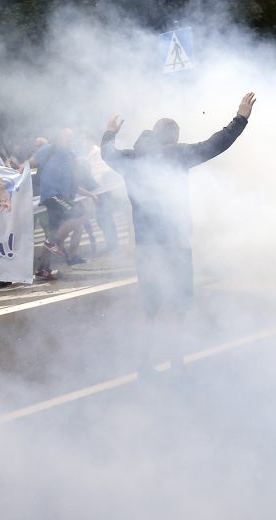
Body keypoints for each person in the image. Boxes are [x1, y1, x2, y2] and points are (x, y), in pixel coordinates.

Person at [100, 92, 256, 374]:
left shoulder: (130, 158)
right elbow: (215, 144)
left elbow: (106, 153)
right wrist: (240, 118)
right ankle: (177, 364)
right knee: (179, 307)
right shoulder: (176, 153)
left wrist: (109, 133)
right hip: (175, 244)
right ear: (172, 137)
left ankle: (144, 365)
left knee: (150, 308)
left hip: (146, 245)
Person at [27, 128, 90, 280]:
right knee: (80, 214)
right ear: (60, 137)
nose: (69, 139)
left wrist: (86, 193)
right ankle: (54, 242)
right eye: (67, 136)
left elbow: (74, 178)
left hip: (64, 196)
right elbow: (30, 164)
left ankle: (43, 269)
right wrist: (19, 174)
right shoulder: (48, 149)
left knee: (55, 231)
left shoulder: (71, 154)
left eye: (71, 137)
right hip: (52, 195)